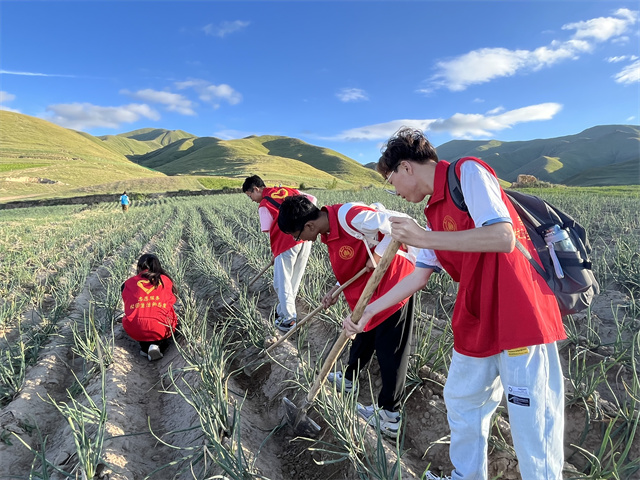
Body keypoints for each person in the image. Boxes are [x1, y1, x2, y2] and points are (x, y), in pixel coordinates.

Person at [344, 128, 566, 479]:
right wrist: (369, 311)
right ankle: (467, 474)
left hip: (517, 313)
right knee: (463, 400)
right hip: (476, 316)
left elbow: (502, 236)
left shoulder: (467, 173)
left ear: (406, 168)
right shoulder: (433, 212)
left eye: (391, 183)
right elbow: (417, 277)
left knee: (532, 419)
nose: (396, 193)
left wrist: (421, 236)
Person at [278, 195, 416, 438]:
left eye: (297, 235)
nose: (300, 240)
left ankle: (390, 416)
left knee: (390, 349)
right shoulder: (328, 231)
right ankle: (350, 379)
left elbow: (402, 221)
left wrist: (380, 255)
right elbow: (352, 262)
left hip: (394, 285)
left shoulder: (350, 216)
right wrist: (335, 289)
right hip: (371, 290)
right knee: (362, 334)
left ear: (309, 226)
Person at [242, 175, 314, 332]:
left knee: (281, 282)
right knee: (294, 278)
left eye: (250, 195)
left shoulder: (264, 204)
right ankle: (284, 311)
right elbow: (312, 199)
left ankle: (289, 320)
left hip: (285, 242)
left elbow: (269, 231)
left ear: (256, 189)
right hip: (306, 237)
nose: (252, 199)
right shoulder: (285, 190)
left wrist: (275, 253)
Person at [121, 254, 178, 361]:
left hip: (136, 328)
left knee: (140, 317)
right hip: (161, 327)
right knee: (167, 319)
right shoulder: (165, 280)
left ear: (139, 267)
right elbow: (171, 301)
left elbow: (128, 303)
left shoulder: (128, 283)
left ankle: (145, 347)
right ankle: (157, 346)